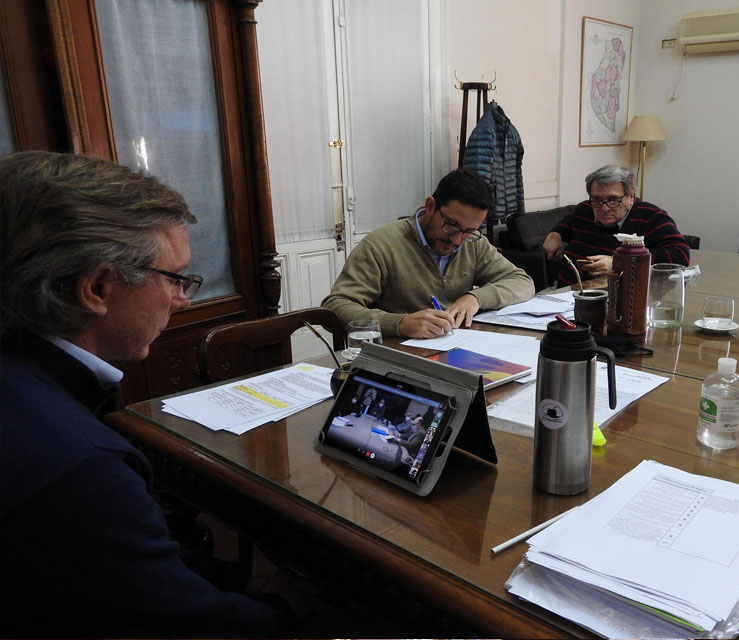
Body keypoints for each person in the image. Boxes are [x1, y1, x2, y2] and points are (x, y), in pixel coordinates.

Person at [0, 151, 290, 637]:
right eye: (175, 278)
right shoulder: (81, 467)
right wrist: (287, 608)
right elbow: (188, 626)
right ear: (97, 288)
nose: (183, 300)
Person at [322, 169, 535, 339]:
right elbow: (336, 306)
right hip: (400, 356)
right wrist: (399, 323)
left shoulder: (474, 244)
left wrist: (476, 298)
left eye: (469, 231)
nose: (457, 240)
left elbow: (523, 282)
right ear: (431, 206)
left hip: (457, 347)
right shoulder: (381, 246)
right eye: (451, 225)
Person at [542, 165, 690, 287]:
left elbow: (680, 254)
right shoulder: (585, 210)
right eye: (597, 199)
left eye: (613, 200)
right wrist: (556, 234)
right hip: (564, 293)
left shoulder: (651, 217)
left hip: (616, 299)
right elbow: (568, 222)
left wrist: (620, 263)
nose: (604, 208)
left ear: (630, 197)